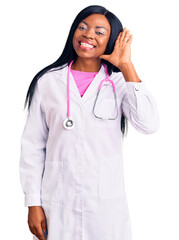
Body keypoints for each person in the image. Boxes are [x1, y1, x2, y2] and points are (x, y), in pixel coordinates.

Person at [19, 5, 159, 240]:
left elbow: (149, 124)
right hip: (58, 202)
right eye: (82, 27)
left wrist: (126, 66)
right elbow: (32, 146)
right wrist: (33, 203)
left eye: (99, 31)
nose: (88, 35)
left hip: (104, 207)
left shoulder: (120, 82)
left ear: (111, 40)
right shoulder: (48, 82)